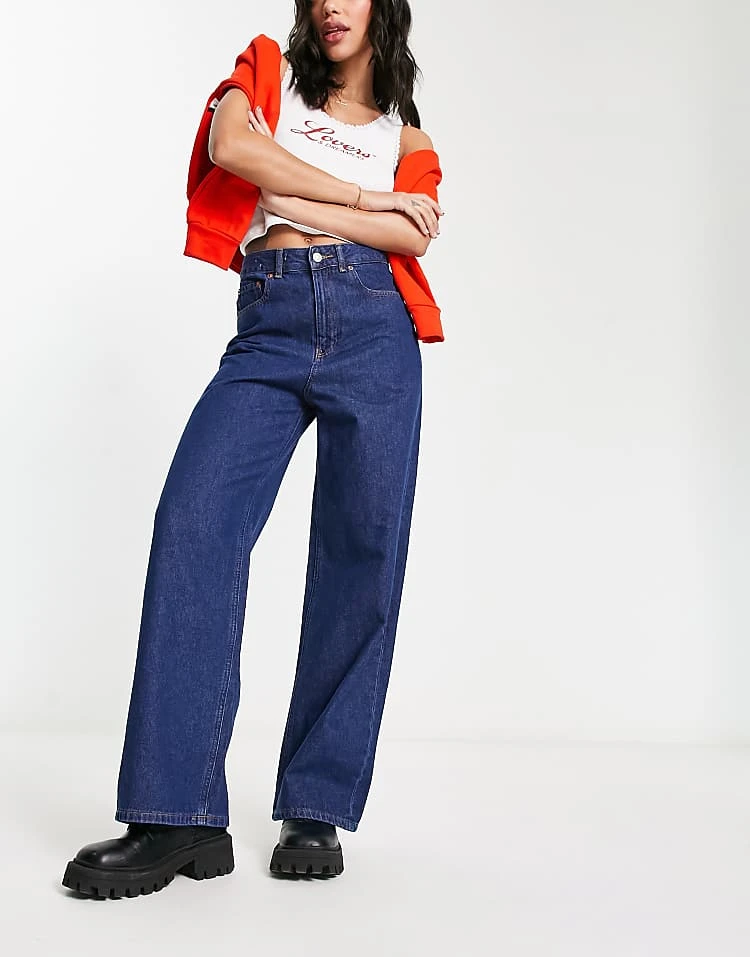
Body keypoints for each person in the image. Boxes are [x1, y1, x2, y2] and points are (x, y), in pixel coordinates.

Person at [62, 0, 443, 898]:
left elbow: (415, 233)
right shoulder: (268, 71)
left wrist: (300, 191)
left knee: (361, 555)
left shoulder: (408, 136)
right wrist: (364, 198)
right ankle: (178, 813)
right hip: (269, 322)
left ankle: (314, 805)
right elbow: (234, 148)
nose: (330, 6)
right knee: (195, 522)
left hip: (374, 329)